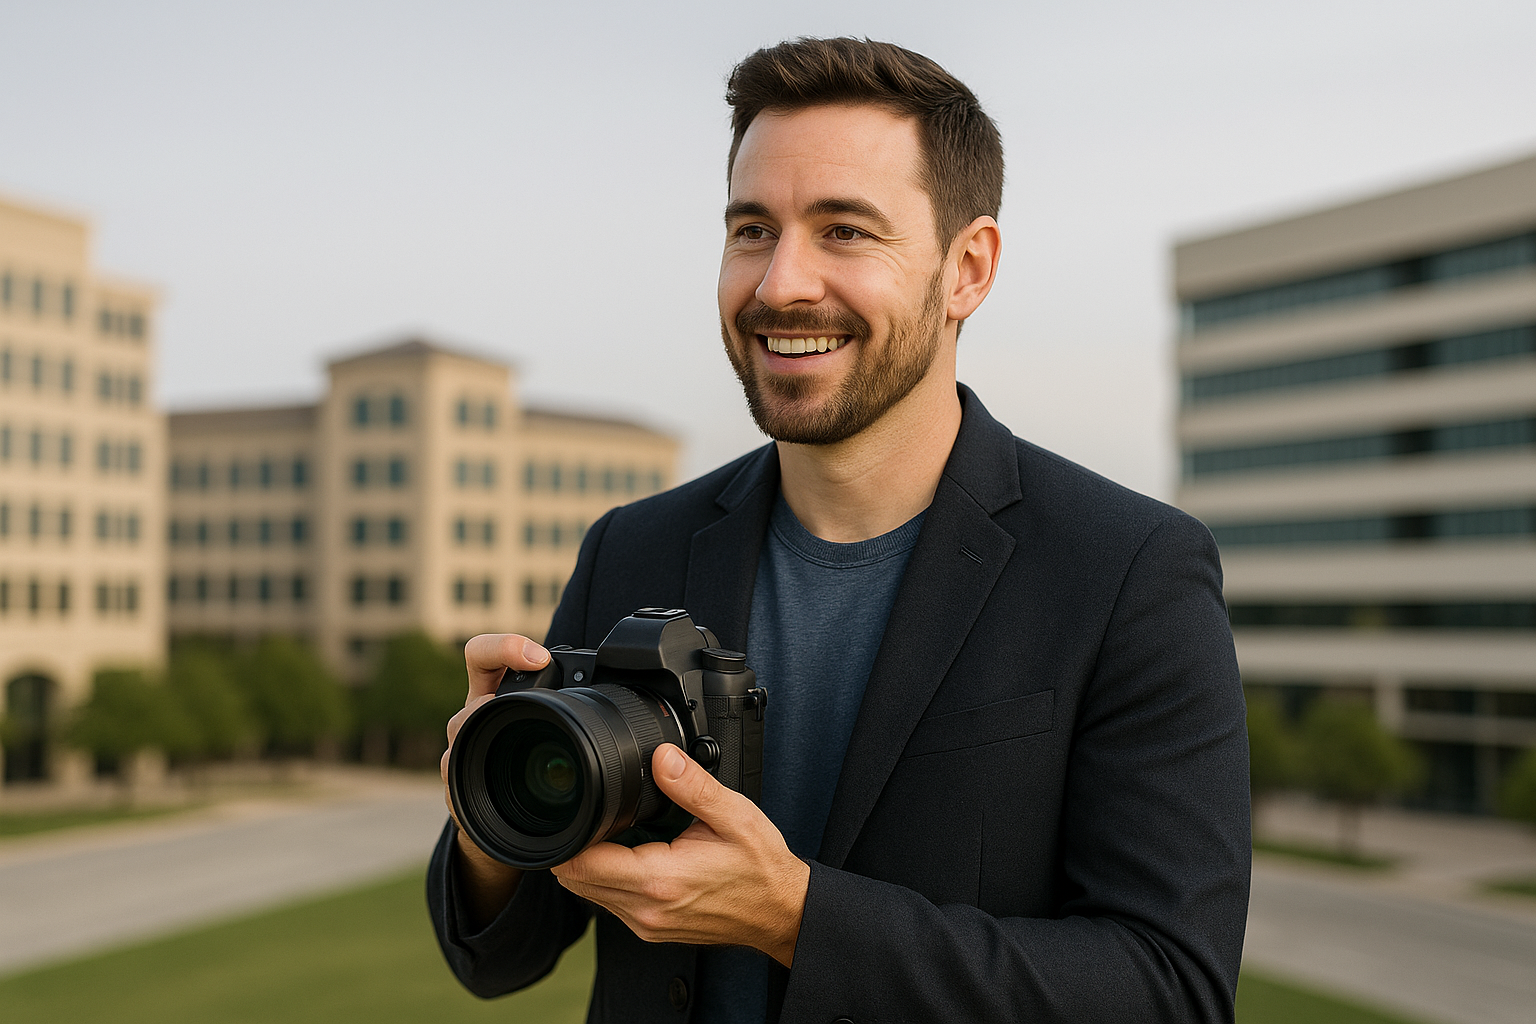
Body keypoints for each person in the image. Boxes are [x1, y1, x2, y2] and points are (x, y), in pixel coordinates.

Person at [428, 37, 1250, 1024]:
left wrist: (794, 916)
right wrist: (491, 805)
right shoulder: (631, 546)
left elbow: (1170, 991)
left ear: (968, 268)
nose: (779, 286)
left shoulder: (1131, 573)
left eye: (845, 231)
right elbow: (498, 959)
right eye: (751, 230)